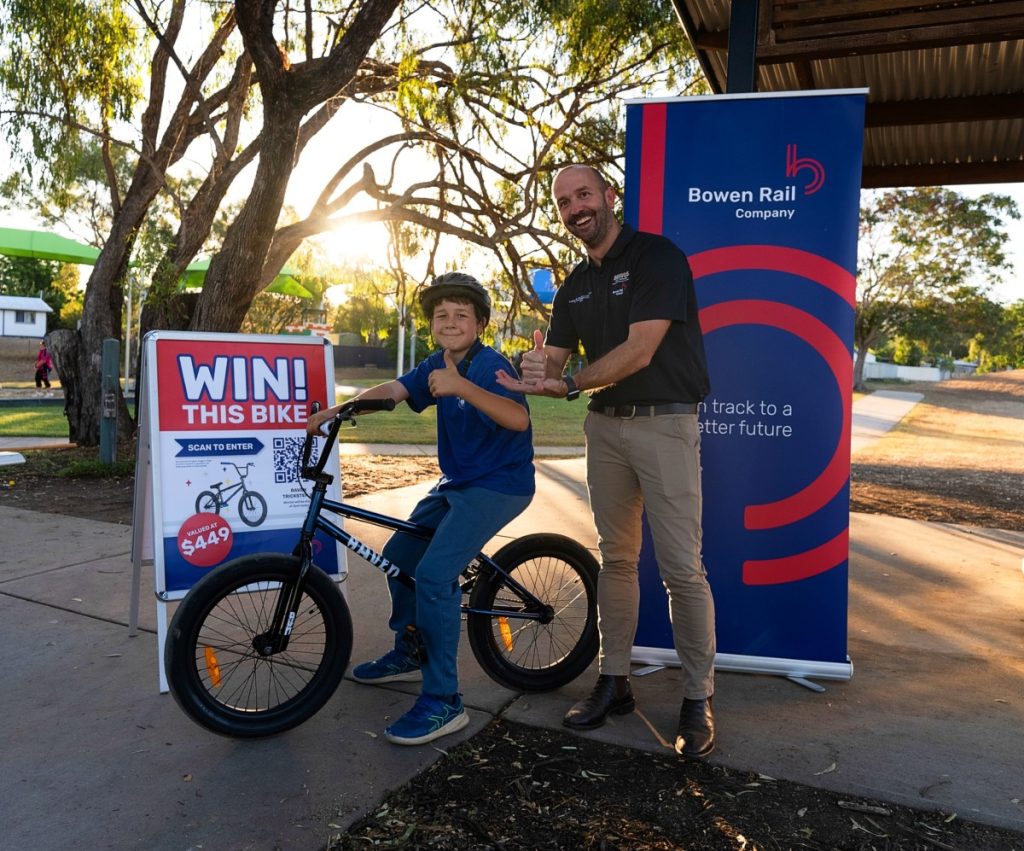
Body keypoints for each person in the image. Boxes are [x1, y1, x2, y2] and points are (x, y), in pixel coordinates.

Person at [495, 165, 717, 759]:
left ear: (609, 197)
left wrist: (568, 385)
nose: (575, 208)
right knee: (616, 559)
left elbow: (641, 351)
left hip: (665, 423)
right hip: (607, 429)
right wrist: (532, 370)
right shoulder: (572, 286)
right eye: (564, 202)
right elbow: (555, 363)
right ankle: (614, 680)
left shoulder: (656, 257)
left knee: (681, 570)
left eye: (583, 195)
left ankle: (698, 698)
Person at [307, 272, 535, 746]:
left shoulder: (489, 365)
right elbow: (395, 390)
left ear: (480, 323)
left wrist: (461, 387)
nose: (450, 322)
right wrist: (339, 410)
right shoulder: (436, 363)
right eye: (441, 315)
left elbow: (517, 418)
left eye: (461, 315)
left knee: (434, 575)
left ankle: (445, 700)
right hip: (457, 483)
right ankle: (410, 651)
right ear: (432, 324)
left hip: (500, 485)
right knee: (400, 560)